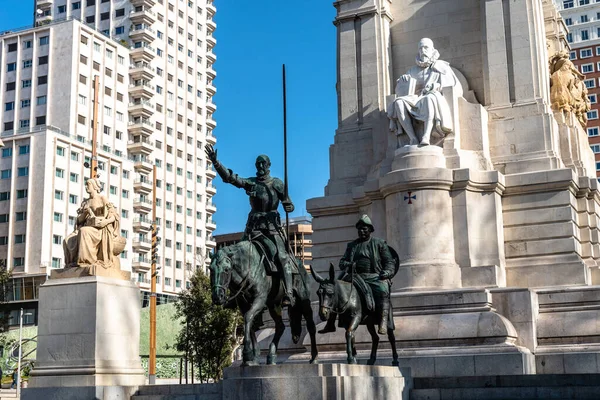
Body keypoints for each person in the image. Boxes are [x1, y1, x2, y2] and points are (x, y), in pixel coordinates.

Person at [205, 144, 296, 307]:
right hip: (253, 229)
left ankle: (289, 293)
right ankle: (234, 295)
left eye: (263, 164)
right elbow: (231, 178)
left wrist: (288, 205)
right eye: (258, 164)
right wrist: (216, 163)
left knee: (282, 257)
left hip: (271, 229)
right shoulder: (251, 183)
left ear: (268, 166)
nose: (260, 166)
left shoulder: (277, 183)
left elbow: (287, 202)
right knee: (236, 257)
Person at [319, 215, 396, 334]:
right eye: (359, 229)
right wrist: (348, 264)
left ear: (370, 229)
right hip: (354, 277)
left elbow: (389, 262)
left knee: (383, 290)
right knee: (335, 290)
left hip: (374, 276)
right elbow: (342, 262)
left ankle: (383, 321)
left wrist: (387, 272)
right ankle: (330, 323)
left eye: (364, 228)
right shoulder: (352, 245)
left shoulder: (379, 243)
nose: (361, 231)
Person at [387, 38, 461, 147]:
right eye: (420, 48)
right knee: (399, 103)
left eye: (426, 47)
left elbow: (453, 86)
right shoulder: (412, 71)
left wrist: (437, 86)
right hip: (415, 99)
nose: (423, 50)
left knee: (429, 98)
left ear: (432, 49)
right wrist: (403, 80)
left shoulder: (441, 66)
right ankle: (413, 138)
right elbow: (402, 89)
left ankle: (426, 136)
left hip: (432, 96)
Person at [63, 177, 122, 269]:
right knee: (67, 240)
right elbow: (79, 221)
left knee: (84, 232)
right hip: (88, 226)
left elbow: (114, 215)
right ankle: (72, 262)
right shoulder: (85, 202)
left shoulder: (102, 199)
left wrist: (105, 221)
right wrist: (85, 212)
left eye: (88, 184)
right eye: (86, 184)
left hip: (100, 229)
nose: (86, 187)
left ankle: (87, 261)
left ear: (95, 186)